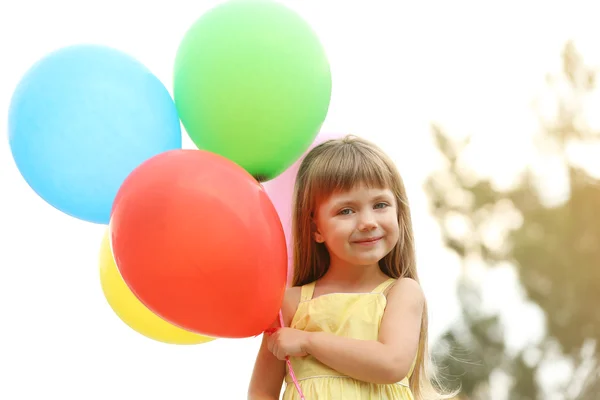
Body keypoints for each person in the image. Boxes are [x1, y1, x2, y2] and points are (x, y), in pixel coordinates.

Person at [248, 135, 457, 400]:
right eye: (346, 211)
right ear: (315, 228)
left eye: (380, 205)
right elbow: (261, 391)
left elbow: (391, 363)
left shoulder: (400, 293)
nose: (368, 221)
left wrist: (309, 341)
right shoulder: (291, 303)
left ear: (398, 213)